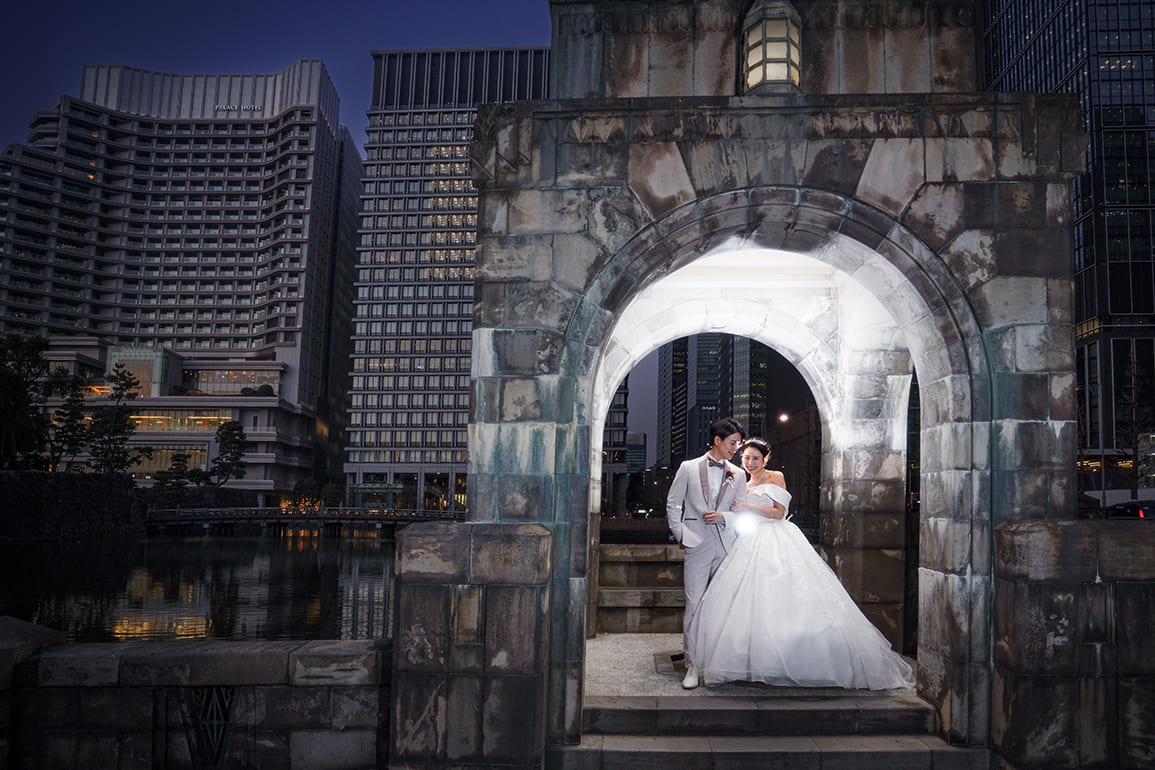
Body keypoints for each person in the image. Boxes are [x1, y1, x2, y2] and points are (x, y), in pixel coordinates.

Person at [689, 437, 915, 690]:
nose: (750, 462)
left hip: (776, 535)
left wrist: (746, 506)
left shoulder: (775, 476)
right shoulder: (742, 481)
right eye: (746, 458)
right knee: (748, 599)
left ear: (765, 459)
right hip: (749, 540)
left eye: (755, 458)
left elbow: (779, 512)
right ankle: (755, 661)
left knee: (791, 591)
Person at [666, 416, 748, 690]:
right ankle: (692, 666)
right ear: (717, 440)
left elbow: (742, 510)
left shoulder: (738, 474)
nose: (736, 448)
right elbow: (673, 503)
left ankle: (717, 662)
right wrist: (682, 535)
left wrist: (724, 517)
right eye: (732, 442)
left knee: (723, 605)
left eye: (738, 443)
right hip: (696, 544)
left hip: (726, 545)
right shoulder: (688, 468)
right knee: (694, 605)